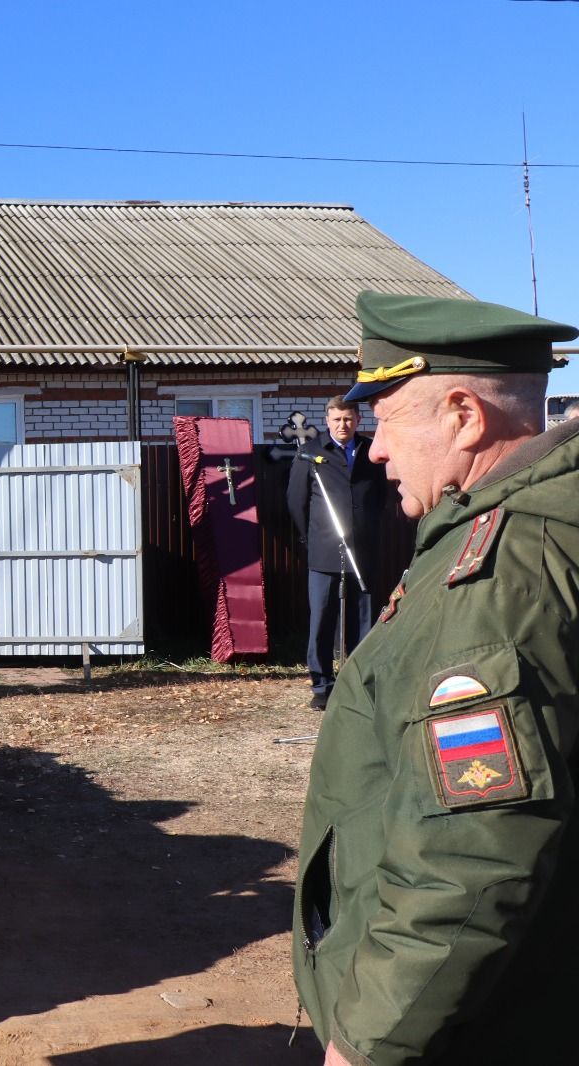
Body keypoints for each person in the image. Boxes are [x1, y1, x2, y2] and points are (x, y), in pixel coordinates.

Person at [293, 291, 579, 1066]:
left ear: (463, 416)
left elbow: (470, 858)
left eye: (386, 416)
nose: (375, 448)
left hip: (484, 1026)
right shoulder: (526, 525)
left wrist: (370, 1042)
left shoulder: (496, 577)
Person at [286, 397, 390, 710]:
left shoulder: (371, 452)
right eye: (336, 420)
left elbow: (381, 499)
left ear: (358, 420)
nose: (342, 425)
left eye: (348, 419)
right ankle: (322, 685)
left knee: (364, 620)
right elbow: (296, 501)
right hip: (324, 550)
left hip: (363, 551)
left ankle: (359, 683)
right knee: (321, 619)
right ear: (327, 421)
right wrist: (311, 539)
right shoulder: (311, 452)